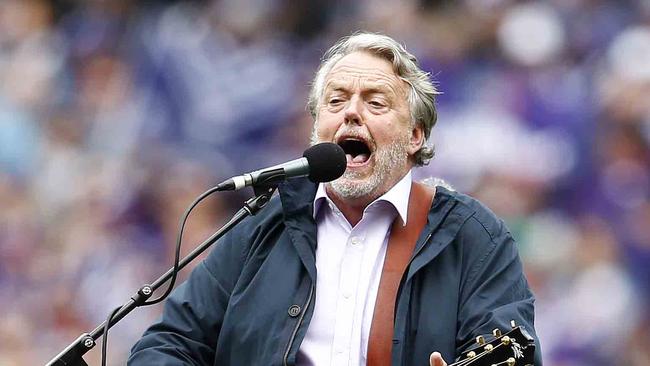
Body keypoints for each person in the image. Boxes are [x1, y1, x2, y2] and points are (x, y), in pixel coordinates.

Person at [128, 32, 542, 366]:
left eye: (375, 102)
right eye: (336, 100)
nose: (351, 113)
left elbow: (516, 353)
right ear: (316, 127)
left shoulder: (473, 237)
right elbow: (167, 344)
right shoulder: (263, 226)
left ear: (415, 136)